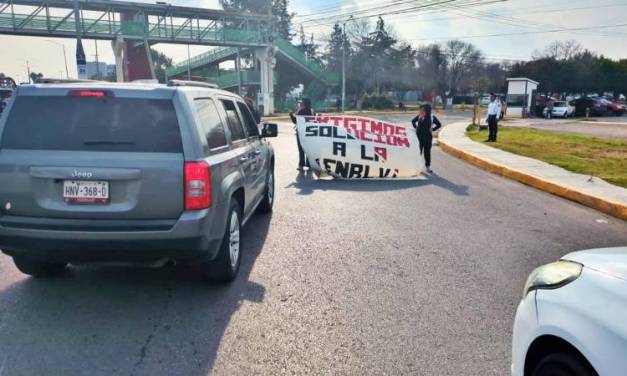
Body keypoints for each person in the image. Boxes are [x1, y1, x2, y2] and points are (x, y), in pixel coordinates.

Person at [412, 104, 442, 174]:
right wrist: (416, 127)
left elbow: (439, 124)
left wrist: (433, 129)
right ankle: (417, 167)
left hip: (428, 137)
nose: (421, 111)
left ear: (427, 110)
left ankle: (428, 167)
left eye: (423, 109)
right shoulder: (419, 116)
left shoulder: (432, 117)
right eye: (421, 109)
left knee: (427, 152)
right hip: (419, 137)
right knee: (418, 152)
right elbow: (413, 121)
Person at [289, 98, 314, 170]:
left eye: (302, 103)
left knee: (301, 149)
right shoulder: (311, 111)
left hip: (301, 132)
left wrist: (291, 114)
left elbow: (295, 121)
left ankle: (301, 165)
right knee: (309, 149)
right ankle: (309, 165)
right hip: (310, 132)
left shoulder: (301, 111)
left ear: (305, 104)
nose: (300, 104)